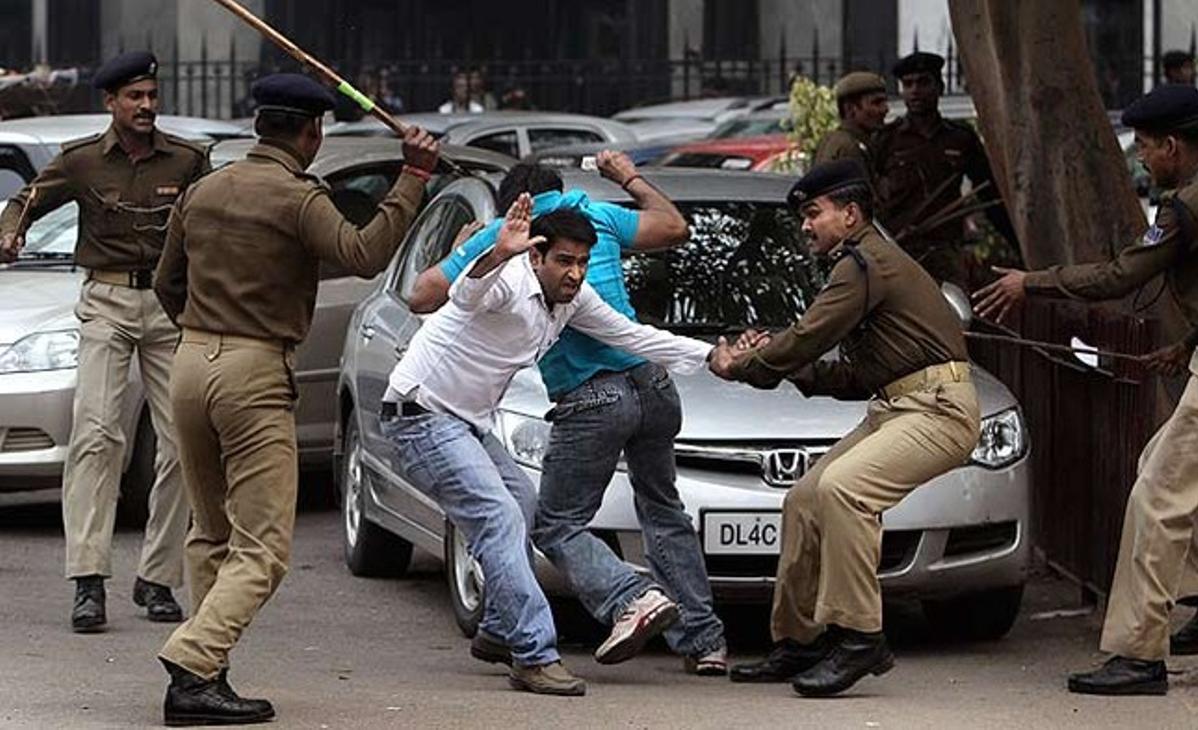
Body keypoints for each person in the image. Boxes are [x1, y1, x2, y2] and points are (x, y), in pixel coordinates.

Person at [151, 73, 437, 725]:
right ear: (312, 133)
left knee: (211, 531)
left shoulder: (203, 190)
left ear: (259, 125)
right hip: (253, 370)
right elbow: (364, 255)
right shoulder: (298, 196)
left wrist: (203, 331)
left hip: (191, 359)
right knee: (265, 547)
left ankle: (203, 678)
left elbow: (167, 281)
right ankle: (195, 658)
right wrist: (412, 176)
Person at [384, 195, 716, 695]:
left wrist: (716, 356)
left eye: (583, 262)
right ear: (535, 257)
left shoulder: (573, 300)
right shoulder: (509, 282)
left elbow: (632, 337)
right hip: (420, 417)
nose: (575, 274)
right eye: (564, 261)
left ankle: (498, 631)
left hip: (466, 423)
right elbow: (467, 296)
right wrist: (496, 254)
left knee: (525, 506)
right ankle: (533, 653)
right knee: (500, 518)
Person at [710, 159, 981, 697]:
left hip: (939, 411)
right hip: (900, 406)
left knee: (845, 491)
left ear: (850, 213)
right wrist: (776, 362)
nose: (805, 225)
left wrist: (741, 366)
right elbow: (856, 375)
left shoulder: (864, 263)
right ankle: (798, 641)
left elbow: (808, 336)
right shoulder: (864, 262)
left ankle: (861, 637)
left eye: (814, 213)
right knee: (806, 498)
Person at [973, 84, 1198, 696]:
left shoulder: (1184, 208)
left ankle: (1139, 654)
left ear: (1174, 146)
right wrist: (1186, 345)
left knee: (1156, 499)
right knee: (1164, 467)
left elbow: (1119, 275)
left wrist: (1033, 284)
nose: (1142, 161)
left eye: (1148, 148)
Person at [0, 51, 209, 632]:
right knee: (96, 433)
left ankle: (159, 577)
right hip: (107, 303)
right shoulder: (83, 161)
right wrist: (10, 232)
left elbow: (213, 221)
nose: (146, 106)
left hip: (169, 308)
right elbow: (26, 200)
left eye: (151, 95)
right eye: (134, 97)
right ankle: (88, 580)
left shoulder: (189, 160)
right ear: (110, 103)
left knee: (180, 442)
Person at [872, 51, 1014, 290]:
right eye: (908, 84)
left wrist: (1016, 244)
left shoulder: (960, 137)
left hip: (945, 251)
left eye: (923, 82)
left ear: (940, 87)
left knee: (953, 317)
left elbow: (989, 195)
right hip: (899, 250)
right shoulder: (887, 139)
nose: (915, 90)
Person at [812, 71, 889, 183]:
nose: (885, 109)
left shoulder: (839, 139)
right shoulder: (848, 147)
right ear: (850, 109)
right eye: (876, 103)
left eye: (885, 102)